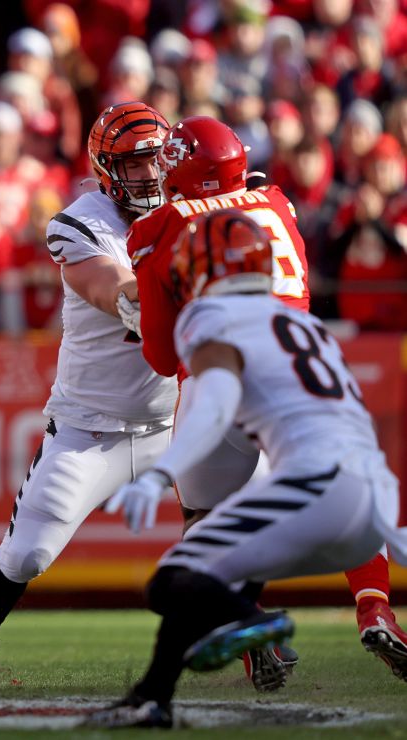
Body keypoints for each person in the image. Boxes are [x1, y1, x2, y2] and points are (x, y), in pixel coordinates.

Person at [94, 209, 406, 728]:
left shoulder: (211, 319)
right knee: (203, 566)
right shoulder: (306, 325)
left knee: (173, 579)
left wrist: (158, 472)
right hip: (370, 504)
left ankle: (253, 624)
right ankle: (153, 697)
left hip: (314, 491)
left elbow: (214, 404)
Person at [0, 102, 178, 689]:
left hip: (178, 423)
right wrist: (188, 281)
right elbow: (118, 292)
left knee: (243, 509)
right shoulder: (80, 222)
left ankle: (253, 637)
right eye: (134, 164)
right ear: (106, 171)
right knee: (26, 555)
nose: (151, 175)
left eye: (157, 159)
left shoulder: (190, 210)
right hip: (92, 427)